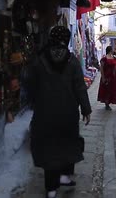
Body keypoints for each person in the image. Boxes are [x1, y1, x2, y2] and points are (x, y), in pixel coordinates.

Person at [23, 26, 92, 198]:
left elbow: (30, 85)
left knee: (50, 150)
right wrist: (86, 109)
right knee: (67, 144)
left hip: (45, 114)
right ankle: (64, 177)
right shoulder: (72, 61)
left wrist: (34, 102)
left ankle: (51, 189)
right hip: (68, 113)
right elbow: (80, 88)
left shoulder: (39, 61)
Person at [98, 46, 116, 110]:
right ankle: (107, 104)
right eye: (112, 49)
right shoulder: (104, 59)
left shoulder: (113, 58)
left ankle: (108, 102)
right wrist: (103, 77)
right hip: (107, 77)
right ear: (110, 50)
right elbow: (102, 68)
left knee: (112, 90)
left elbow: (115, 67)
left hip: (113, 77)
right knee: (106, 90)